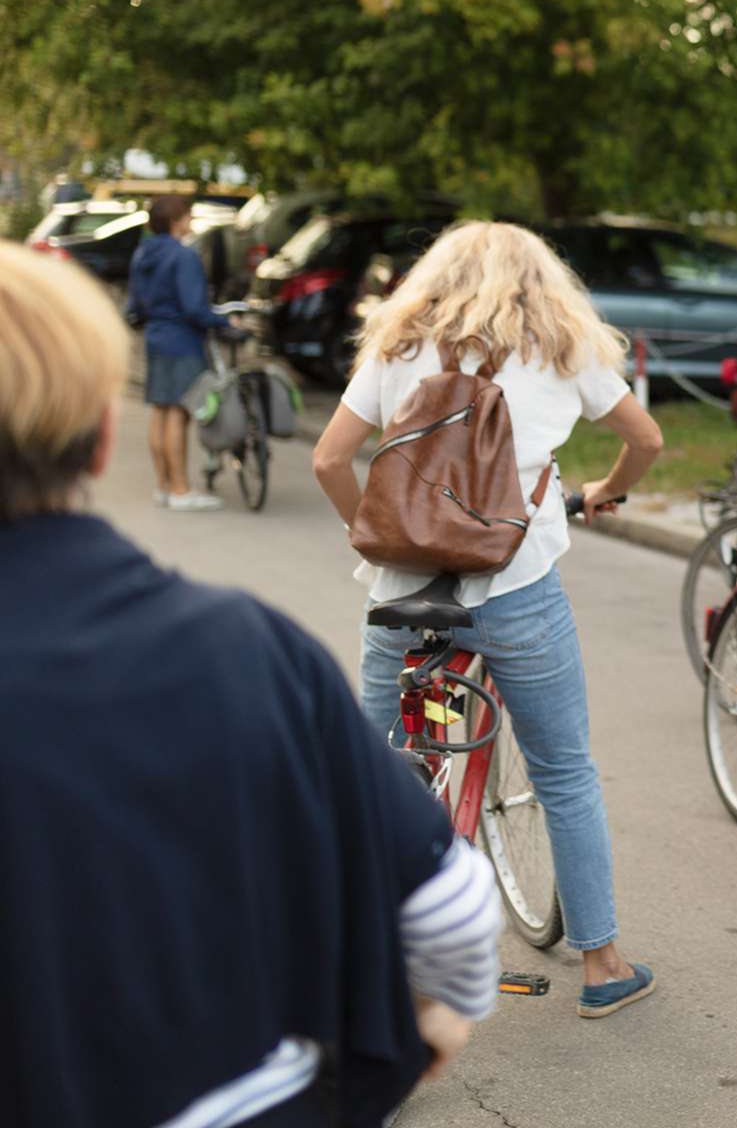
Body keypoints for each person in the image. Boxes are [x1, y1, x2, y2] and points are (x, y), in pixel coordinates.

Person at [0, 240, 500, 1127]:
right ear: (101, 439)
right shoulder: (245, 649)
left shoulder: (392, 347)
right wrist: (424, 1030)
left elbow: (334, 456)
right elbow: (453, 912)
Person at [311, 221, 666, 1018]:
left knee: (373, 771)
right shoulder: (564, 349)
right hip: (515, 585)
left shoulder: (399, 347)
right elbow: (646, 439)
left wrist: (372, 533)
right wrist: (607, 488)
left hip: (401, 593)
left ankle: (357, 956)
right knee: (564, 771)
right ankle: (603, 965)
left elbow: (330, 459)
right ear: (542, 284)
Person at [127, 191, 232, 511]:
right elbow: (194, 308)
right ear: (176, 220)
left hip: (155, 337)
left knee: (160, 410)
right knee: (179, 412)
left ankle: (163, 485)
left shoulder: (142, 254)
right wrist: (223, 321)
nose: (191, 220)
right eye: (187, 215)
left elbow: (135, 306)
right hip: (182, 340)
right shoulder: (184, 256)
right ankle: (180, 489)